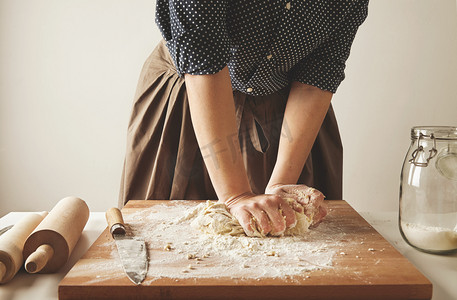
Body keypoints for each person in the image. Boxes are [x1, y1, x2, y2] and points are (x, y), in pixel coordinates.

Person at [119, 0, 369, 236]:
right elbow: (202, 55)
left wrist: (281, 183)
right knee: (162, 239)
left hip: (289, 111)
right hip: (190, 94)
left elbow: (318, 74)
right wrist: (236, 195)